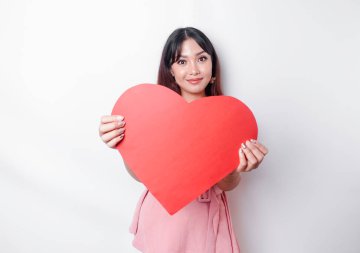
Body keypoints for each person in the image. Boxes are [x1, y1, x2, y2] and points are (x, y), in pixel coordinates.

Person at [98, 27, 268, 253]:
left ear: (212, 66)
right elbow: (141, 176)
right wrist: (124, 145)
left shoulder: (229, 120)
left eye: (201, 58)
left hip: (205, 219)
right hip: (163, 219)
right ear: (171, 70)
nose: (194, 69)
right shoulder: (152, 114)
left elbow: (227, 184)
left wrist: (238, 166)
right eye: (181, 62)